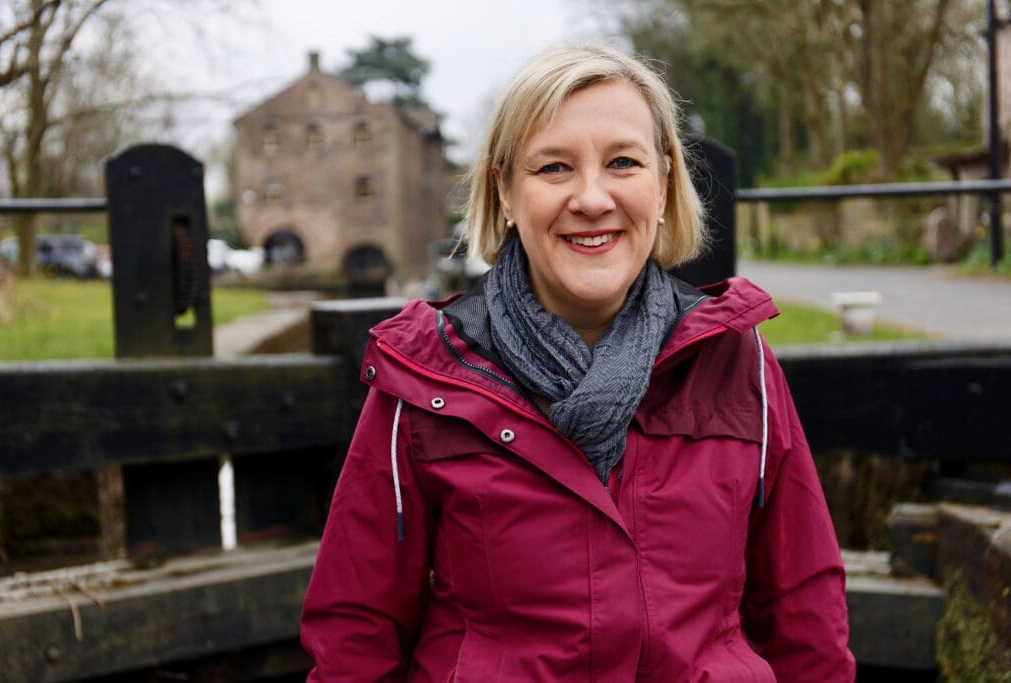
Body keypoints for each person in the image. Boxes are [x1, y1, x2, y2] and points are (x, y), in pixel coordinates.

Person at [301, 44, 856, 682]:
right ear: (505, 190)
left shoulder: (737, 359)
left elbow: (804, 612)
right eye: (554, 168)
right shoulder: (427, 375)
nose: (592, 198)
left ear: (664, 182)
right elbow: (355, 631)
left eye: (623, 162)